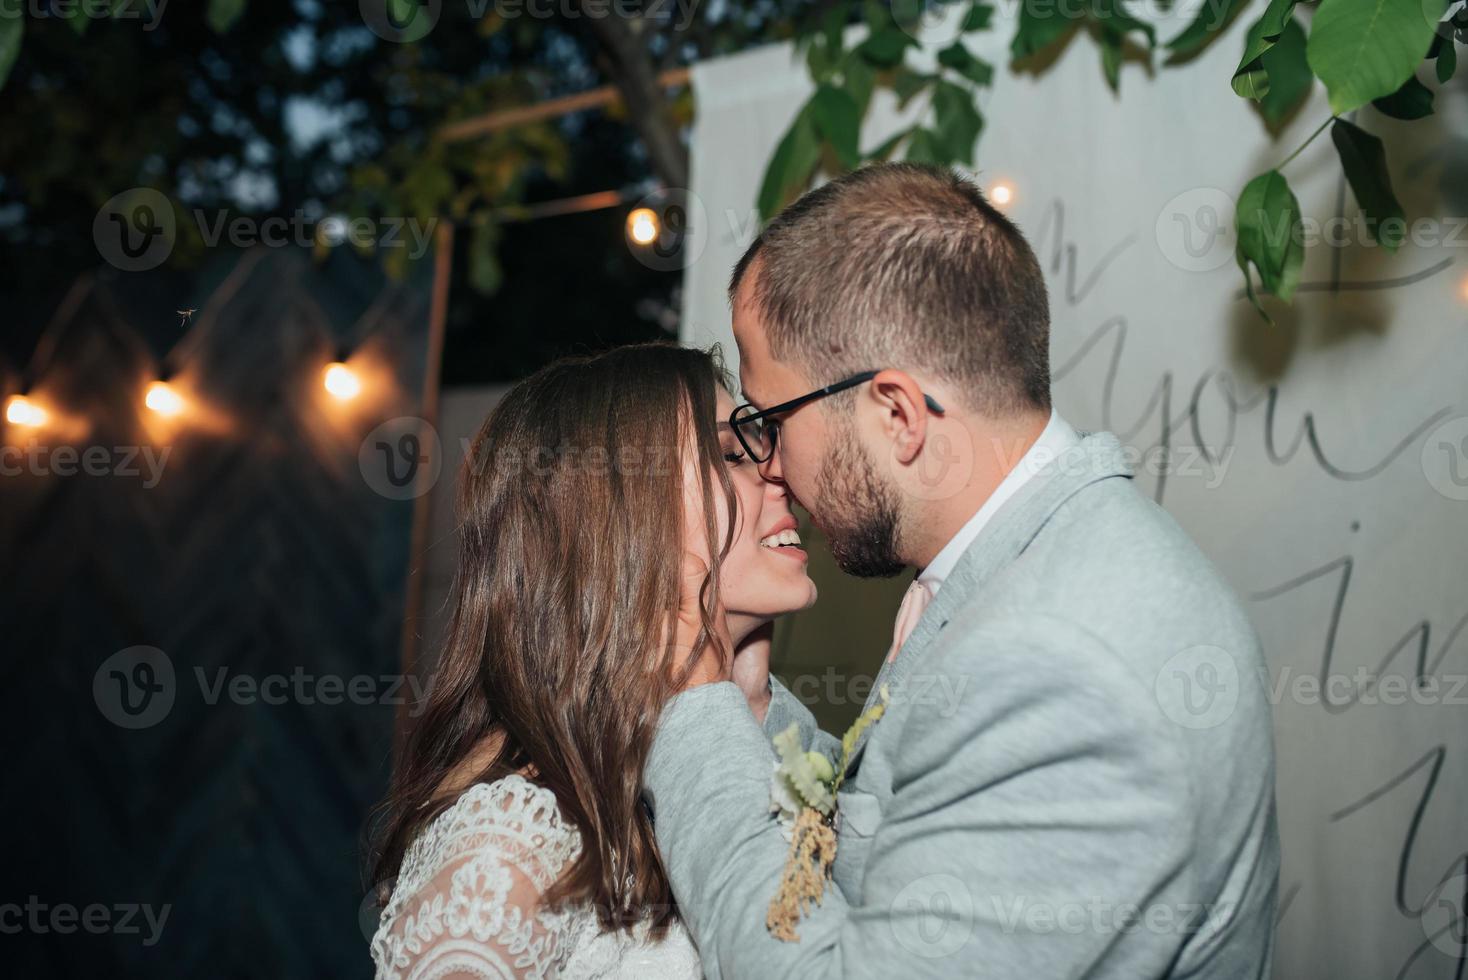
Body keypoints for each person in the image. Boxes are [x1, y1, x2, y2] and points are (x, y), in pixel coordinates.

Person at [646, 162, 1281, 978]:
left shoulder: (1064, 662)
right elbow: (902, 827)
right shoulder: (1025, 560)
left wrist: (692, 700)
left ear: (896, 414)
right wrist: (755, 707)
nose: (772, 468)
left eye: (772, 419)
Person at [367, 342, 816, 979]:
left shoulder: (735, 759)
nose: (781, 473)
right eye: (730, 453)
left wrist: (744, 701)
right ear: (625, 517)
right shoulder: (510, 840)